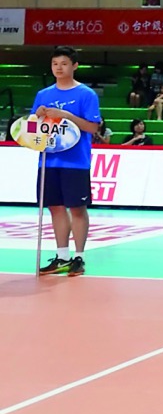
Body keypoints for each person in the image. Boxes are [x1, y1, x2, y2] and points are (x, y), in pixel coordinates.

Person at [33, 46, 102, 277]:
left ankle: (79, 257)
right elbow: (34, 129)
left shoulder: (86, 95)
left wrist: (67, 116)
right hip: (49, 161)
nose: (58, 68)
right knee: (55, 208)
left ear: (74, 65)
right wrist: (38, 117)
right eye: (55, 64)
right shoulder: (43, 95)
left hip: (76, 161)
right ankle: (62, 256)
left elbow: (93, 127)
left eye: (63, 63)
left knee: (78, 208)